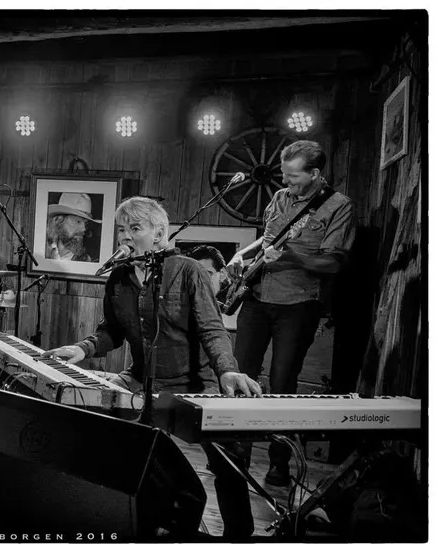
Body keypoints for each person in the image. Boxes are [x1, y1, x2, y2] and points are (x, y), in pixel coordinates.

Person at [43, 196, 262, 539]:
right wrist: (81, 348)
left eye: (135, 228)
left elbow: (211, 328)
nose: (125, 236)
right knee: (96, 429)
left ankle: (239, 538)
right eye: (121, 229)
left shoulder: (187, 270)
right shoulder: (119, 276)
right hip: (140, 379)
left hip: (196, 383)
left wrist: (227, 371)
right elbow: (111, 331)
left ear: (159, 233)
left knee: (229, 460)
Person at [225, 140, 355, 487]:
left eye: (293, 176)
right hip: (257, 299)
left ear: (315, 173)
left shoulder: (339, 206)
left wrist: (292, 257)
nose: (286, 181)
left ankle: (278, 464)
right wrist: (242, 254)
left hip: (297, 306)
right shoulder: (281, 197)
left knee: (283, 384)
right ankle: (237, 455)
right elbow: (269, 239)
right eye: (284, 174)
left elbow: (333, 263)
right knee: (241, 377)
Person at [45, 192, 100, 262]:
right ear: (59, 221)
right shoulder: (42, 249)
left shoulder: (88, 260)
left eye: (85, 223)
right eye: (78, 221)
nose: (83, 229)